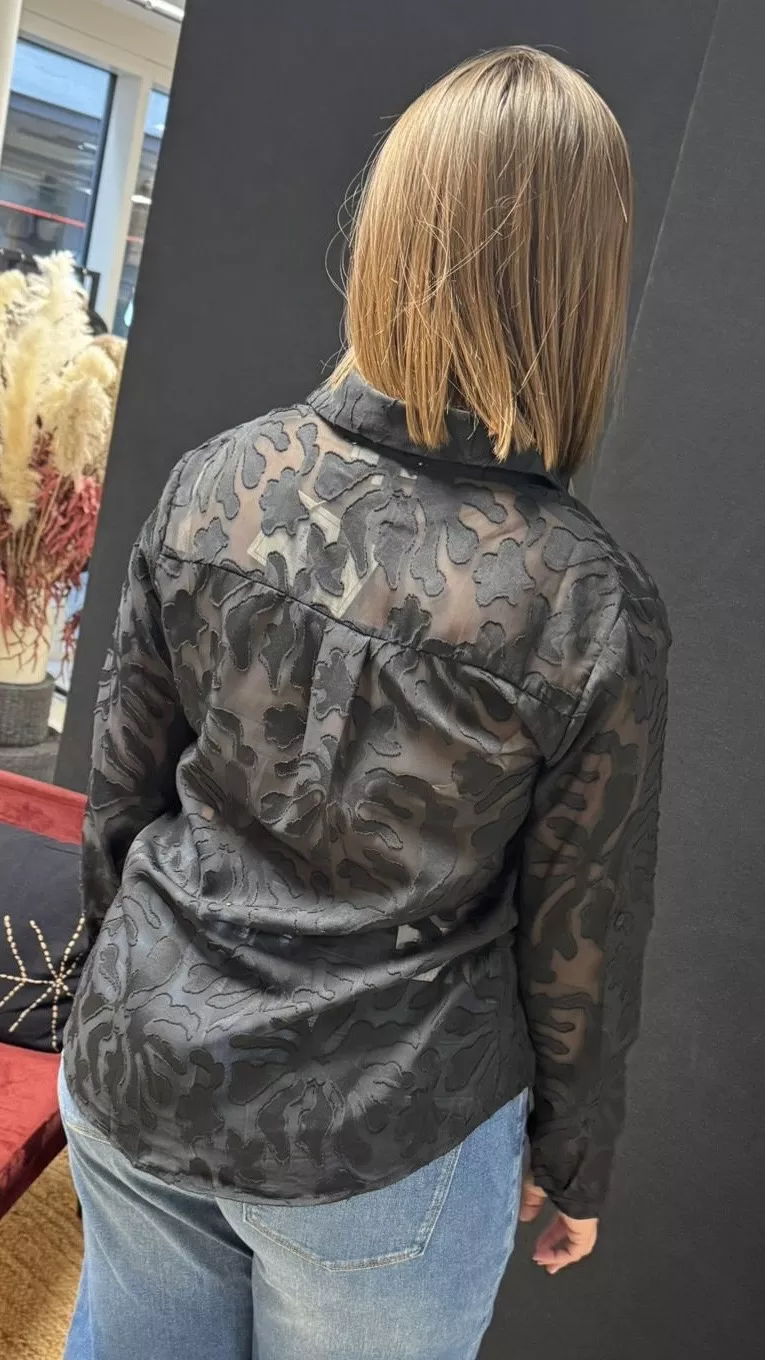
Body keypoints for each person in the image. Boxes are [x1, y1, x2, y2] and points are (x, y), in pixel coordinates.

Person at [61, 46, 669, 1360]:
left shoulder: (215, 482)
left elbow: (119, 802)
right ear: (584, 285)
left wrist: (116, 994)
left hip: (139, 1066)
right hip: (379, 1141)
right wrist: (575, 1163)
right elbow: (582, 939)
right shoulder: (583, 603)